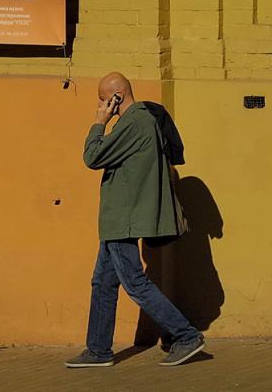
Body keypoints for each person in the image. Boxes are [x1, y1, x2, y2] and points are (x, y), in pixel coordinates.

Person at [65, 72, 205, 368]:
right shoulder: (136, 122)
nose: (102, 105)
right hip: (117, 218)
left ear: (116, 96)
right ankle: (98, 350)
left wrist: (99, 122)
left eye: (104, 100)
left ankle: (186, 335)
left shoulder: (134, 121)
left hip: (123, 217)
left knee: (134, 282)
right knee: (102, 282)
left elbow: (92, 156)